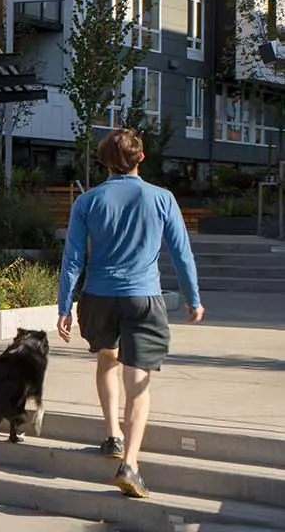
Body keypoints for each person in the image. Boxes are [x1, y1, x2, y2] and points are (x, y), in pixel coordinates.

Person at [58, 128, 203, 499]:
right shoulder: (162, 198)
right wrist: (192, 297)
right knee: (137, 381)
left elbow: (73, 257)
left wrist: (64, 305)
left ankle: (112, 436)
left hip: (98, 296)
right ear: (141, 158)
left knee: (107, 360)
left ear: (103, 161)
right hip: (143, 297)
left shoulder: (87, 201)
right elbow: (181, 253)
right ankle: (131, 465)